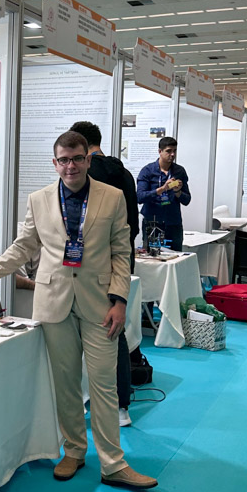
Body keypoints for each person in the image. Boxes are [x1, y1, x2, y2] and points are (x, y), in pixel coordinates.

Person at [0, 129, 157, 491]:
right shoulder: (39, 200)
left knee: (104, 385)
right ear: (55, 163)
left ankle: (113, 463)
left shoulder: (112, 197)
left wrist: (119, 300)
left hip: (100, 304)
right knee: (65, 385)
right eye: (63, 160)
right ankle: (74, 450)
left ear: (87, 159)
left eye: (77, 158)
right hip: (54, 302)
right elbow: (22, 248)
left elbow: (121, 251)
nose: (70, 166)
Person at [71, 119, 139, 428]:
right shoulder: (124, 173)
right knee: (115, 330)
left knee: (92, 332)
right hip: (122, 261)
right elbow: (131, 227)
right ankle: (120, 405)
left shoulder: (89, 176)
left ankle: (92, 401)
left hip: (93, 265)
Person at [136, 136, 191, 252]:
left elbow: (187, 200)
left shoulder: (179, 171)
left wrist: (177, 192)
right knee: (152, 257)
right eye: (168, 151)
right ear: (160, 151)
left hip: (173, 224)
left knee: (176, 257)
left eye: (174, 151)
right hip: (153, 223)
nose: (172, 154)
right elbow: (140, 197)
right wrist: (162, 189)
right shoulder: (148, 171)